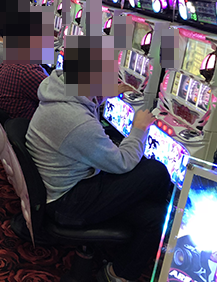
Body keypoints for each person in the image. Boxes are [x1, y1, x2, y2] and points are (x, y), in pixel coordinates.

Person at [26, 34, 170, 282]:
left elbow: (82, 108)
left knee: (155, 216)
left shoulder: (59, 89)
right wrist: (139, 128)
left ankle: (117, 273)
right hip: (68, 203)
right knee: (155, 172)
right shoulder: (75, 120)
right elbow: (122, 162)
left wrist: (101, 96)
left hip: (61, 186)